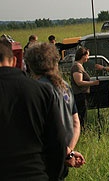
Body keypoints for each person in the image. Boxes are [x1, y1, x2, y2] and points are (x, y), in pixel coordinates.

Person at [0, 39, 67, 180]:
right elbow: (57, 141)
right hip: (34, 173)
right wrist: (54, 176)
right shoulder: (41, 91)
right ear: (13, 62)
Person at [24, 42, 86, 178]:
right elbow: (76, 123)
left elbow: (45, 129)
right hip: (62, 159)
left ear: (31, 65)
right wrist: (68, 151)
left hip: (43, 160)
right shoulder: (65, 86)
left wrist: (65, 153)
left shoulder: (36, 90)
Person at [70, 47, 99, 130]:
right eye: (87, 55)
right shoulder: (77, 67)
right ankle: (81, 130)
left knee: (83, 115)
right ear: (83, 56)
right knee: (81, 116)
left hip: (82, 95)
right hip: (80, 95)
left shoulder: (79, 66)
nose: (88, 58)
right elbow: (79, 82)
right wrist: (93, 83)